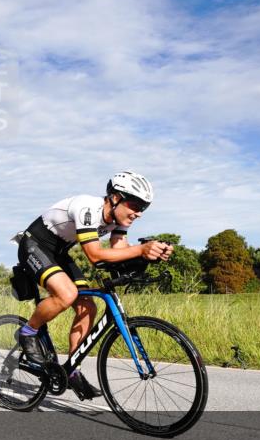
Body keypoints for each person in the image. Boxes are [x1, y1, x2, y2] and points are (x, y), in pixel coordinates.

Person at [15, 171, 173, 398]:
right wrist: (140, 250)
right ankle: (28, 332)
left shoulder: (120, 220)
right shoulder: (88, 208)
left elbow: (119, 253)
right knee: (67, 294)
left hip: (60, 252)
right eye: (135, 205)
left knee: (87, 306)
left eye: (143, 208)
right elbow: (95, 256)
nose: (138, 213)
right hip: (35, 244)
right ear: (115, 197)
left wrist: (149, 255)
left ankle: (72, 371)